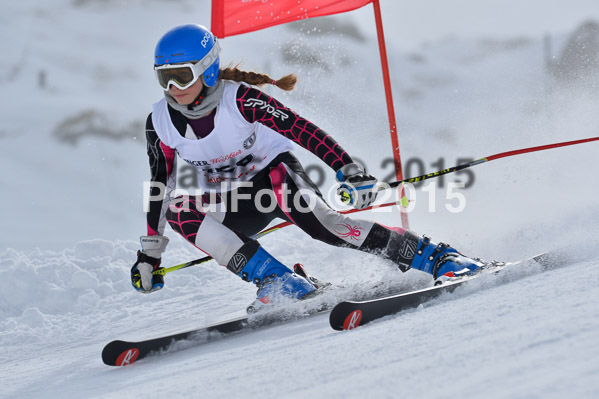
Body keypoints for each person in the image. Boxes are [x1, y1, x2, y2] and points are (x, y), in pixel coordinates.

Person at [131, 24, 483, 308]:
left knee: (327, 227)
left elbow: (299, 129)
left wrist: (348, 169)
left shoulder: (240, 98)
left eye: (181, 75)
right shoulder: (159, 121)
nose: (174, 88)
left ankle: (438, 257)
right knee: (179, 208)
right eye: (165, 78)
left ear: (207, 71)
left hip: (276, 180)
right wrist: (150, 254)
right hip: (232, 201)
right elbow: (161, 183)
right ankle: (277, 280)